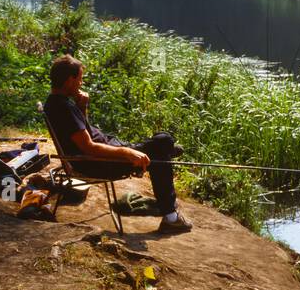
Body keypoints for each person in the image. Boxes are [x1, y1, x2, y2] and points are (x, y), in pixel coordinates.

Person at [43, 54, 191, 234]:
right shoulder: (64, 108)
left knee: (161, 147)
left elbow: (83, 133)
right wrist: (127, 153)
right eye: (80, 79)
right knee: (163, 143)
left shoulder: (57, 103)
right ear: (69, 80)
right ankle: (171, 217)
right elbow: (88, 148)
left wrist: (82, 107)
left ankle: (165, 153)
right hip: (99, 163)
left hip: (103, 152)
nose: (81, 83)